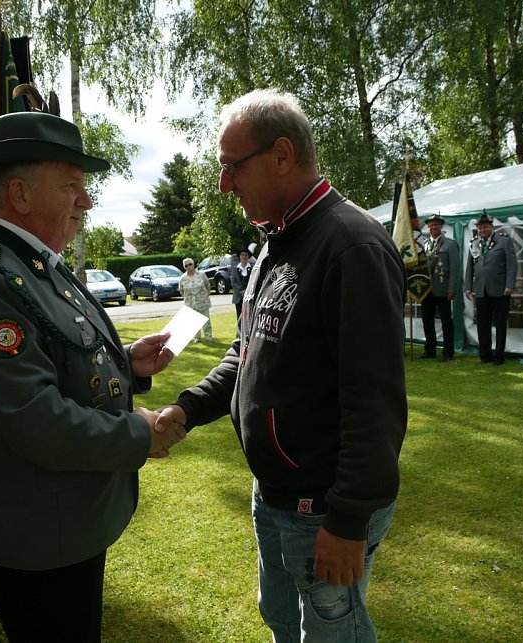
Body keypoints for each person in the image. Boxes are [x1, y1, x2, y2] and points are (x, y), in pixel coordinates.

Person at [156, 89, 407, 642]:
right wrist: (188, 408)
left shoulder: (350, 244)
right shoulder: (277, 240)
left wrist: (346, 521)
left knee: (331, 633)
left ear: (282, 155)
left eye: (231, 167)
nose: (224, 185)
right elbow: (246, 354)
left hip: (322, 507)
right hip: (273, 494)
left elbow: (375, 401)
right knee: (281, 620)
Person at [0, 111, 185, 642]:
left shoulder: (33, 263)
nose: (87, 200)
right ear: (21, 195)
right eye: (72, 185)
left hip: (64, 522)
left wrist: (129, 367)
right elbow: (36, 419)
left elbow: (67, 353)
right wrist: (141, 433)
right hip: (38, 536)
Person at [464, 213, 517, 365]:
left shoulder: (504, 241)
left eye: (485, 227)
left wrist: (509, 285)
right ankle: (484, 355)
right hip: (481, 290)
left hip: (500, 289)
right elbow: (470, 268)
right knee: (483, 325)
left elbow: (512, 265)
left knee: (500, 324)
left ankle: (499, 356)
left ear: (491, 227)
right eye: (480, 228)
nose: (482, 230)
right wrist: (468, 287)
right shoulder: (474, 243)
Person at [419, 214, 460, 361]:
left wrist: (452, 289)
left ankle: (448, 352)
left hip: (443, 289)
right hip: (426, 289)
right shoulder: (423, 245)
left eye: (436, 224)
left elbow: (455, 269)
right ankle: (430, 350)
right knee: (427, 320)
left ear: (441, 226)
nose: (433, 227)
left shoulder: (450, 244)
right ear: (428, 227)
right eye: (431, 225)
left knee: (446, 322)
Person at [179, 257, 213, 342]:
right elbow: (181, 291)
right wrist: (188, 298)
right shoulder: (182, 278)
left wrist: (205, 295)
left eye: (190, 264)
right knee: (194, 322)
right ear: (184, 267)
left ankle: (208, 337)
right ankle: (197, 338)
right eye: (186, 265)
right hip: (190, 303)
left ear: (193, 264)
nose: (188, 266)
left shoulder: (201, 274)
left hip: (203, 301)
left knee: (206, 321)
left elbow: (208, 285)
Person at [231, 248, 253, 321]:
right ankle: (239, 331)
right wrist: (241, 291)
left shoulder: (252, 268)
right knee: (239, 316)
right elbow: (233, 282)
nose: (244, 257)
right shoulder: (235, 268)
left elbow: (253, 281)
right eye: (242, 255)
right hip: (238, 297)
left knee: (249, 315)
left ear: (248, 257)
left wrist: (247, 291)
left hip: (249, 296)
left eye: (246, 255)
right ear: (239, 256)